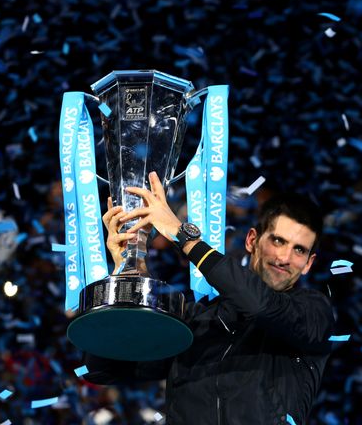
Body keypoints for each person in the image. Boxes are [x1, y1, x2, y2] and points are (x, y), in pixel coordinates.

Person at [82, 171, 334, 425]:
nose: (284, 258)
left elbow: (262, 306)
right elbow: (104, 368)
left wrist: (182, 235)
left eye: (299, 250)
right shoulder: (196, 320)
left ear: (308, 264)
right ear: (252, 240)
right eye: (278, 241)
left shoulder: (315, 313)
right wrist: (126, 275)